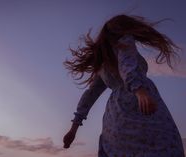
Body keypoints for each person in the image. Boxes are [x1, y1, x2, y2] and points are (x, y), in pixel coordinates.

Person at [63, 14, 185, 157]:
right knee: (163, 148)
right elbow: (126, 66)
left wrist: (73, 129)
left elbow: (89, 96)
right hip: (140, 103)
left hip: (116, 115)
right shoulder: (125, 40)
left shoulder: (102, 64)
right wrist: (139, 90)